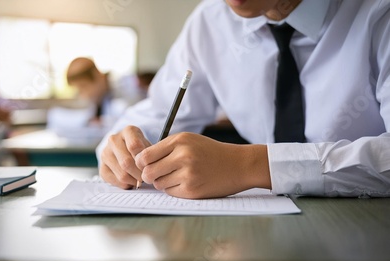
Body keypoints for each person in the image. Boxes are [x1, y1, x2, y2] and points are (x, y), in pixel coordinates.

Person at [98, 0, 390, 199]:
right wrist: (123, 151)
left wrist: (250, 166)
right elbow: (157, 113)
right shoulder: (210, 22)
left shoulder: (379, 14)